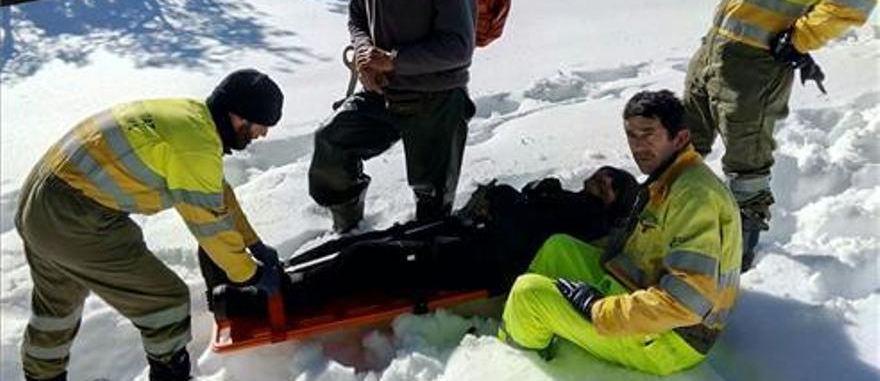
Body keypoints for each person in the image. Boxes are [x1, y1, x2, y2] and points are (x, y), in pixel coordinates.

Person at [14, 69, 286, 381]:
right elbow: (209, 224)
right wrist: (249, 274)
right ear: (240, 116)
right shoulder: (195, 145)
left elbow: (217, 195)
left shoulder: (190, 119)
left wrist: (253, 244)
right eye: (263, 125)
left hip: (39, 202)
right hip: (74, 215)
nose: (262, 134)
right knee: (165, 301)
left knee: (56, 310)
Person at [684, 0, 877, 270]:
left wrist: (802, 37)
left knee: (746, 163)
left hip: (756, 67)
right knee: (685, 145)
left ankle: (736, 258)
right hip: (711, 52)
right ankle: (677, 225)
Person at [498, 90, 742, 376]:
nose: (639, 146)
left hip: (672, 340)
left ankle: (513, 365)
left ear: (680, 138)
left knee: (528, 294)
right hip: (645, 301)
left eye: (648, 134)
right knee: (559, 247)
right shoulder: (671, 178)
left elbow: (685, 304)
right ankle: (533, 327)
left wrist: (598, 309)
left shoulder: (693, 197)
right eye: (632, 135)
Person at [208, 167, 639, 321]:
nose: (600, 179)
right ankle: (275, 280)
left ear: (613, 202)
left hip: (475, 261)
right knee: (373, 244)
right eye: (603, 173)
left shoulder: (587, 214)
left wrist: (508, 198)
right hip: (469, 240)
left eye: (610, 183)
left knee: (368, 257)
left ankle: (258, 302)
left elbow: (525, 230)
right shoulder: (568, 200)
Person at [308, 0, 479, 233]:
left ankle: (432, 255)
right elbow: (357, 19)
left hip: (438, 99)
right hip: (384, 93)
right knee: (332, 144)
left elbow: (459, 47)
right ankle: (348, 228)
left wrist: (393, 61)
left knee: (432, 200)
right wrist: (363, 57)